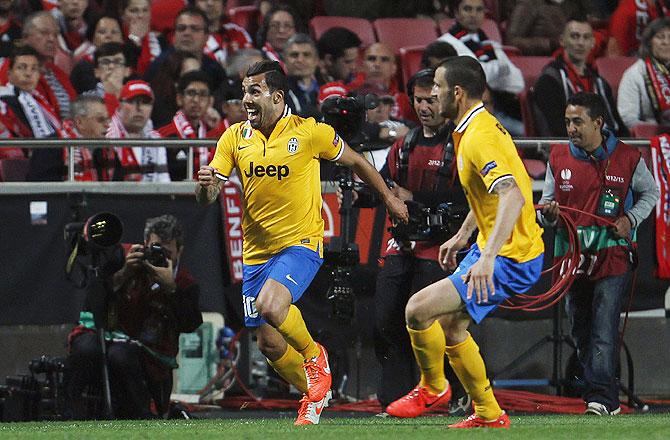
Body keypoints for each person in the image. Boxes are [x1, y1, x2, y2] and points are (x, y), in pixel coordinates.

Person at [195, 60, 409, 425]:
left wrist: (389, 199)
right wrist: (205, 186)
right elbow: (210, 195)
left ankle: (315, 358)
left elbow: (357, 161)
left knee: (271, 305)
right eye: (245, 91)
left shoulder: (310, 133)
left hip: (301, 242)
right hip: (256, 251)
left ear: (277, 97)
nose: (246, 99)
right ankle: (316, 392)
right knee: (270, 344)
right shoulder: (234, 137)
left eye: (255, 91)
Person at [385, 56, 544, 429]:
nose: (432, 94)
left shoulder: (479, 137)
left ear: (456, 92)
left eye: (437, 87)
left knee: (417, 310)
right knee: (453, 328)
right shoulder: (475, 128)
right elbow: (494, 192)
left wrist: (487, 257)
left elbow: (512, 196)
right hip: (495, 245)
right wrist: (464, 234)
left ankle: (433, 387)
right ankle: (489, 412)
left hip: (510, 254)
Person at [346, 68, 470, 415]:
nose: (425, 106)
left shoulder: (462, 144)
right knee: (386, 317)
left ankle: (456, 391)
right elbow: (385, 189)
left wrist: (412, 196)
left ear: (446, 98)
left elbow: (468, 198)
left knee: (437, 321)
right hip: (402, 241)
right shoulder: (405, 145)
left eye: (432, 99)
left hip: (443, 244)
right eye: (419, 100)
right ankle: (395, 398)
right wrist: (362, 196)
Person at [539, 92, 659, 416]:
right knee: (580, 329)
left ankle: (601, 400)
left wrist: (630, 219)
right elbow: (545, 207)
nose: (571, 128)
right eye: (567, 122)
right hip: (571, 257)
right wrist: (547, 215)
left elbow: (652, 192)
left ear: (598, 123)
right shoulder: (558, 157)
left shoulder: (629, 158)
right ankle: (601, 390)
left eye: (577, 121)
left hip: (612, 256)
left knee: (604, 327)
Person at [66, 214, 202, 419]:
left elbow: (190, 324)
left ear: (180, 251)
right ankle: (69, 411)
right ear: (145, 243)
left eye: (167, 251)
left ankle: (142, 415)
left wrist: (171, 289)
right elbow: (94, 299)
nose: (161, 256)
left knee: (121, 355)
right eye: (156, 248)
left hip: (152, 349)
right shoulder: (123, 257)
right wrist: (125, 272)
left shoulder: (185, 283)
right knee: (85, 347)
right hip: (111, 332)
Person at [533, 19, 627, 137]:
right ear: (562, 41)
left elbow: (619, 127)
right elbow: (557, 130)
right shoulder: (549, 80)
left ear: (593, 43)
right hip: (568, 151)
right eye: (575, 36)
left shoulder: (600, 83)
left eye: (586, 37)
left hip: (604, 149)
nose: (581, 43)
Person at [105, 80, 170, 182]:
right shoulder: (107, 136)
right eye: (132, 101)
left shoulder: (155, 139)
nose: (139, 108)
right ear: (120, 105)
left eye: (145, 102)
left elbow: (164, 182)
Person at [158, 70, 216, 181]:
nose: (196, 100)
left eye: (203, 94)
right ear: (179, 99)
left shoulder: (213, 135)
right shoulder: (163, 136)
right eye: (191, 93)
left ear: (210, 101)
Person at [618, 17, 670, 131]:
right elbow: (627, 118)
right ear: (649, 42)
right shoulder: (635, 74)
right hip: (652, 141)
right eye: (660, 37)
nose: (666, 42)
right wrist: (660, 131)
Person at [505, 0, 589, 56]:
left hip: (572, 63)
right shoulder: (529, 4)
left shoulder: (574, 5)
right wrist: (550, 44)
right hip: (538, 64)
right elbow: (511, 42)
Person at [61, 94, 111, 181]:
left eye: (108, 119)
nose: (107, 125)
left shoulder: (107, 151)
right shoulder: (53, 146)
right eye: (100, 119)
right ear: (80, 122)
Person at [283, 33, 324, 119]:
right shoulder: (279, 92)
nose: (300, 60)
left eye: (306, 55)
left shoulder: (328, 88)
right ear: (285, 60)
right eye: (294, 55)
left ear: (316, 60)